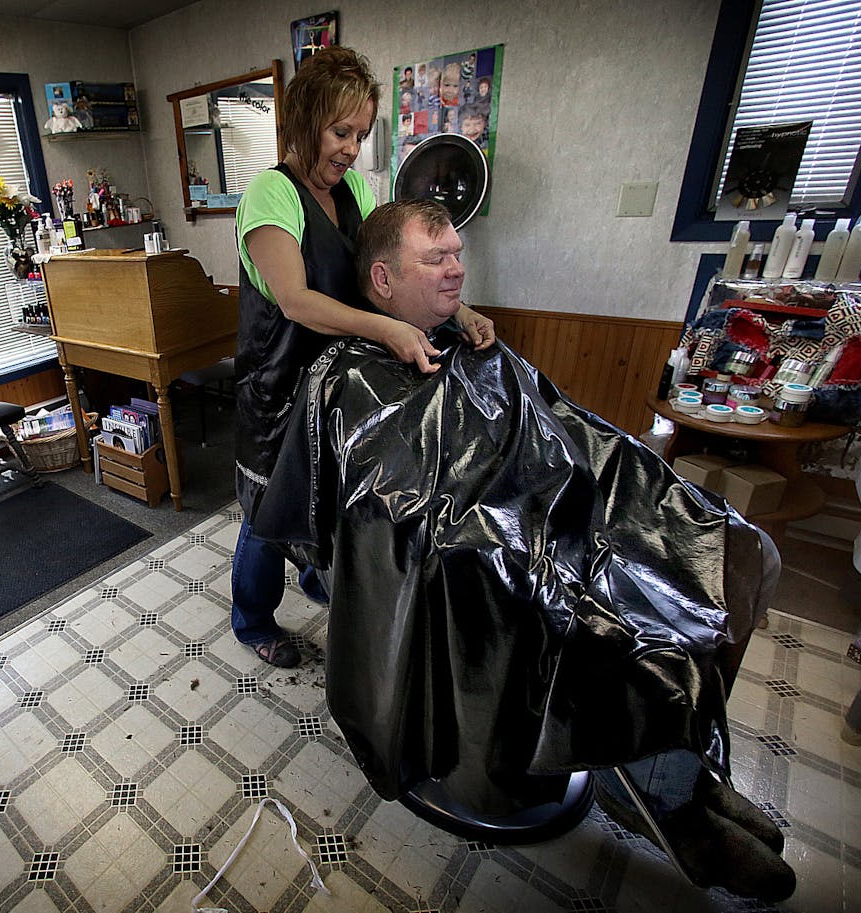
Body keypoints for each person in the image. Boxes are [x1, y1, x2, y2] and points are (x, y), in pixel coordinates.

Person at [254, 200, 795, 901]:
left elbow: (562, 431)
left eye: (457, 252)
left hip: (570, 518)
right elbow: (391, 510)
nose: (457, 269)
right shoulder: (348, 374)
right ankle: (671, 801)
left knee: (736, 552)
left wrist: (613, 493)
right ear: (383, 281)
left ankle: (685, 771)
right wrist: (517, 539)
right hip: (499, 556)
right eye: (436, 258)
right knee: (638, 627)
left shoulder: (468, 340)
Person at [231, 46, 497, 668]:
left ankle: (316, 577)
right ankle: (253, 620)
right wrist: (386, 331)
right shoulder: (272, 195)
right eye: (339, 131)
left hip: (335, 388)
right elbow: (295, 301)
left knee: (326, 496)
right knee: (267, 514)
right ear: (303, 123)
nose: (352, 148)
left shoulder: (352, 188)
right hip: (277, 386)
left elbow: (388, 269)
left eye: (361, 133)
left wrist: (454, 310)